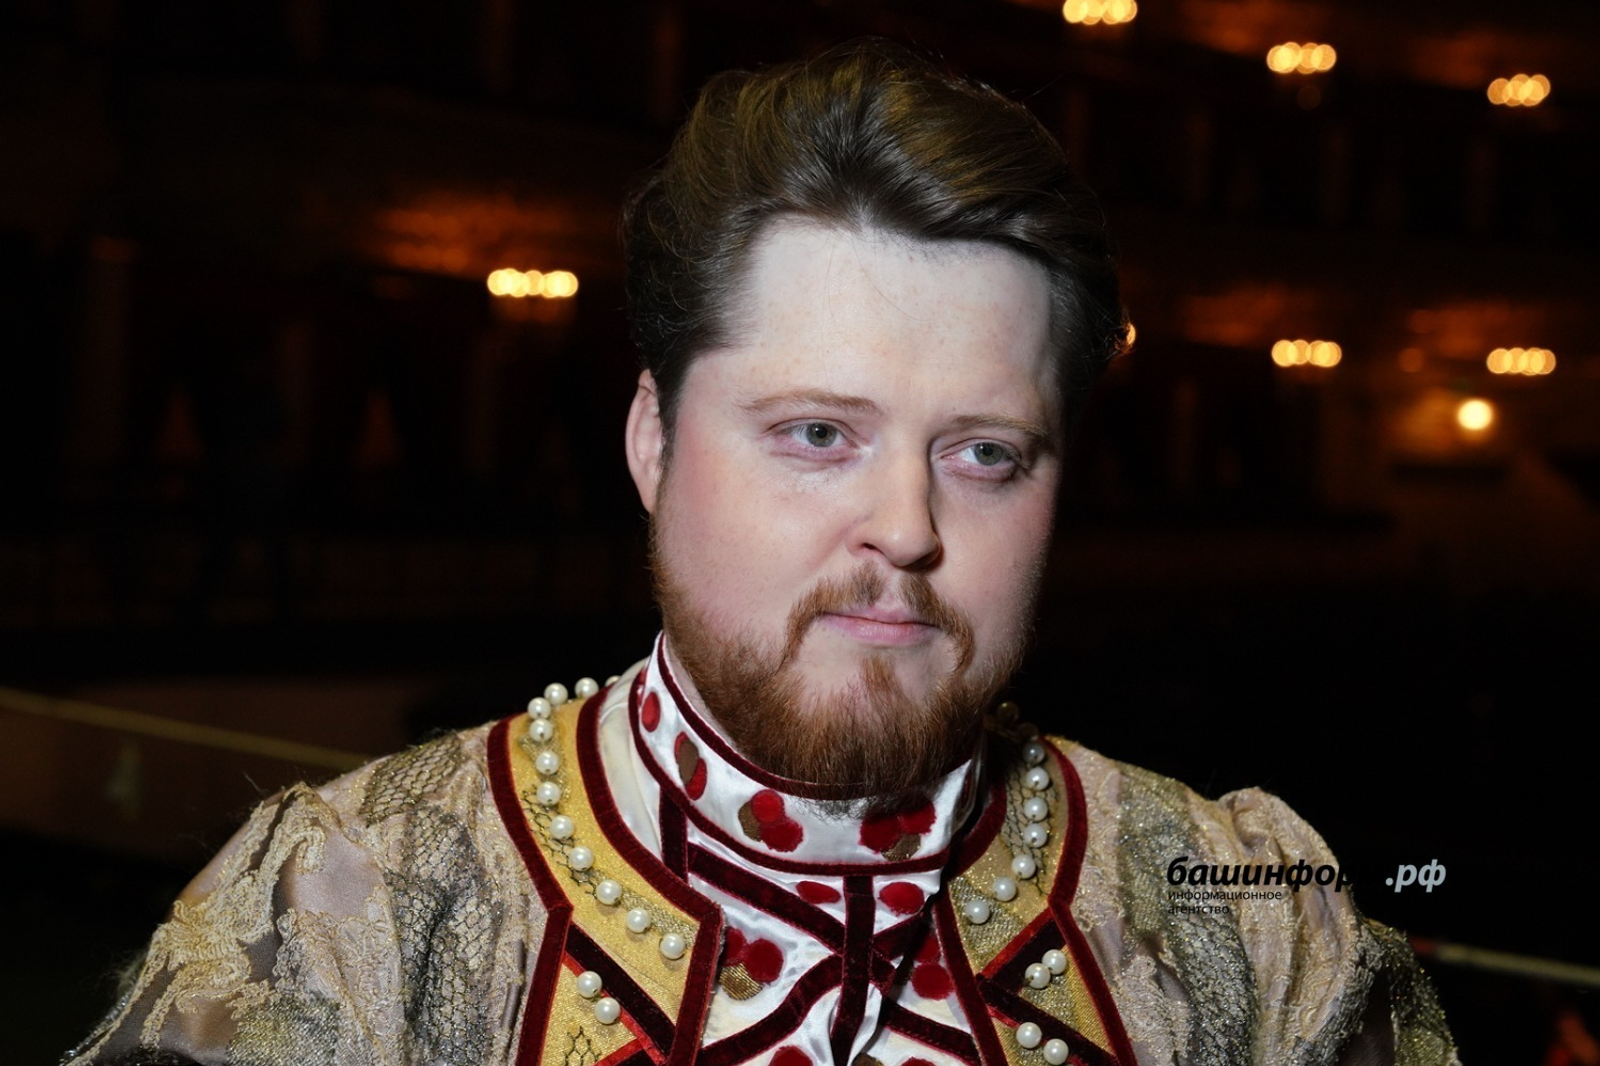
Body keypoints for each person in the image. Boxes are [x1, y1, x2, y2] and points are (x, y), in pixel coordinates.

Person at [66, 41, 1457, 1066]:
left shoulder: (1258, 922)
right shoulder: (347, 911)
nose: (908, 527)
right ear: (653, 442)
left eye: (986, 452)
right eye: (816, 433)